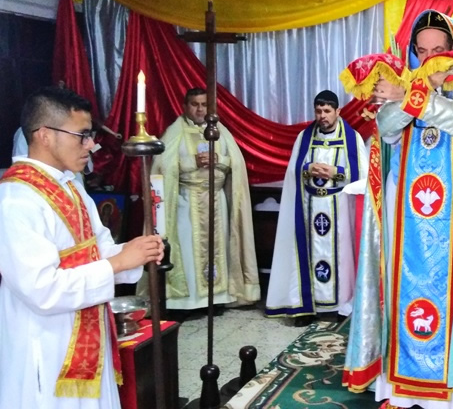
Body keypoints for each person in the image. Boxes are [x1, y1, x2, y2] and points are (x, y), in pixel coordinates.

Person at [343, 10, 453, 409]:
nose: (429, 58)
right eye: (421, 51)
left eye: (438, 49)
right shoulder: (402, 83)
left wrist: (415, 97)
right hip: (404, 218)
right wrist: (413, 93)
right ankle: (400, 388)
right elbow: (387, 127)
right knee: (399, 289)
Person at [0, 86, 164, 408]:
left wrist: (135, 252)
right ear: (45, 135)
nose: (91, 144)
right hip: (45, 345)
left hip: (89, 332)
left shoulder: (71, 188)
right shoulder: (15, 200)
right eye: (82, 135)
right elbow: (42, 289)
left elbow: (98, 251)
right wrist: (118, 263)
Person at [150, 87, 260, 313]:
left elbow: (236, 163)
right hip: (186, 201)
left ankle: (216, 299)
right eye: (195, 104)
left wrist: (218, 159)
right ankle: (189, 302)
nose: (200, 109)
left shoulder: (220, 131)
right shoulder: (175, 132)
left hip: (217, 200)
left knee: (219, 250)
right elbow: (162, 167)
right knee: (189, 252)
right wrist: (193, 162)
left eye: (204, 105)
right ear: (185, 106)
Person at [265, 90, 368, 325]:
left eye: (327, 111)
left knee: (341, 258)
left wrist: (335, 172)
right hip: (309, 208)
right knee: (308, 255)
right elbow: (293, 170)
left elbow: (362, 175)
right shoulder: (305, 137)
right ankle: (307, 307)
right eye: (319, 111)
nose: (322, 116)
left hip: (339, 209)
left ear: (338, 111)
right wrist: (308, 169)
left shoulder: (351, 138)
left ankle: (341, 306)